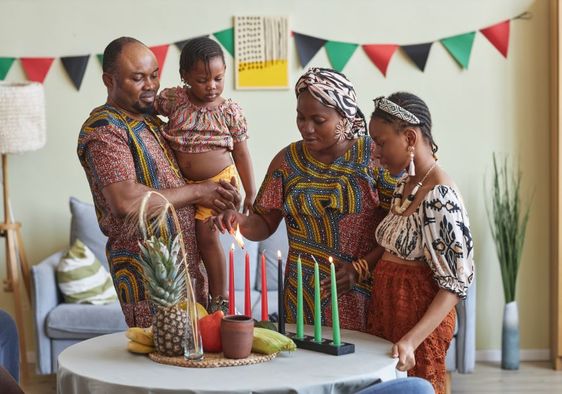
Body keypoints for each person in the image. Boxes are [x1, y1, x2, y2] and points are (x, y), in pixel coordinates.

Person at [214, 68, 396, 332]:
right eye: (300, 117)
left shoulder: (374, 156)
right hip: (301, 297)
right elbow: (264, 223)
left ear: (344, 117)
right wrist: (237, 221)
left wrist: (361, 268)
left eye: (318, 120)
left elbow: (400, 225)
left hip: (360, 292)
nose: (306, 128)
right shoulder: (287, 161)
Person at [77, 37, 240, 327]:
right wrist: (200, 191)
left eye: (154, 75)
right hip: (151, 283)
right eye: (138, 78)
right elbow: (126, 202)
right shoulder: (105, 130)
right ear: (109, 80)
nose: (151, 85)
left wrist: (222, 192)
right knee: (163, 369)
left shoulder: (152, 121)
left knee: (199, 366)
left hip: (187, 275)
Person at [367, 92, 474, 394]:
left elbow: (455, 284)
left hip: (417, 324)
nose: (375, 152)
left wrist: (412, 339)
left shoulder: (440, 195)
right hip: (388, 314)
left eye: (381, 142)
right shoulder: (405, 184)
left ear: (410, 138)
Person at [154, 37, 255, 312]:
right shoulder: (174, 100)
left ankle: (219, 296)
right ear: (184, 76)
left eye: (218, 78)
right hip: (183, 184)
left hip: (219, 182)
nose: (211, 86)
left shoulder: (229, 111)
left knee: (206, 237)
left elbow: (242, 153)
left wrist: (251, 190)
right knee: (186, 241)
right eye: (202, 80)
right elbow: (147, 110)